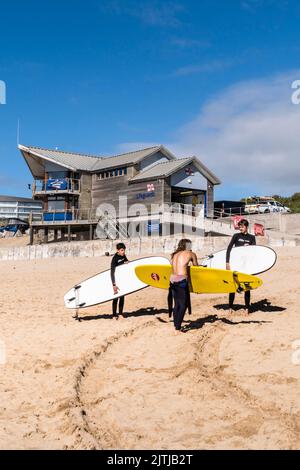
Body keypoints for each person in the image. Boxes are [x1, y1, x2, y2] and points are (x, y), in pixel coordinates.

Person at [226, 219, 256, 315]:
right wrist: (227, 262)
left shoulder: (252, 238)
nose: (240, 228)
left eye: (242, 227)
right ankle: (230, 307)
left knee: (246, 287)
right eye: (239, 227)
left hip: (246, 265)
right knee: (233, 286)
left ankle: (247, 308)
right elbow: (229, 249)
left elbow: (254, 252)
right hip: (236, 264)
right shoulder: (236, 236)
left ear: (246, 227)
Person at [170, 239, 198, 334]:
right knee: (183, 305)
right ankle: (177, 329)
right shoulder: (191, 254)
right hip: (182, 280)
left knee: (177, 304)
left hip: (173, 280)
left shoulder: (174, 255)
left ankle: (176, 325)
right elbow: (197, 267)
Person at [111, 243, 129, 320]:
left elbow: (127, 262)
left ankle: (120, 313)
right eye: (122, 250)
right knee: (116, 297)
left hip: (122, 279)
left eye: (124, 250)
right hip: (116, 279)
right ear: (118, 250)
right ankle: (114, 315)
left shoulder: (123, 256)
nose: (123, 252)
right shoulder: (114, 259)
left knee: (122, 296)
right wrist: (114, 284)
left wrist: (127, 262)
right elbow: (112, 272)